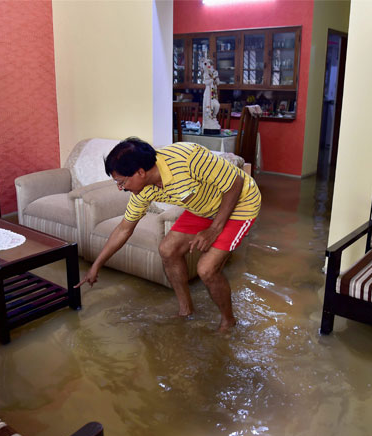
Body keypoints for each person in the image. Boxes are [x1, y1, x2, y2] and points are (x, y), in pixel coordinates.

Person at [75, 138, 261, 331]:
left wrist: (214, 229)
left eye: (122, 182)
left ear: (140, 172)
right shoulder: (143, 191)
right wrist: (96, 266)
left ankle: (228, 321)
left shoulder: (187, 157)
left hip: (240, 202)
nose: (120, 188)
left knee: (206, 269)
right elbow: (124, 229)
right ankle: (185, 311)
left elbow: (236, 183)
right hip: (203, 208)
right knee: (167, 249)